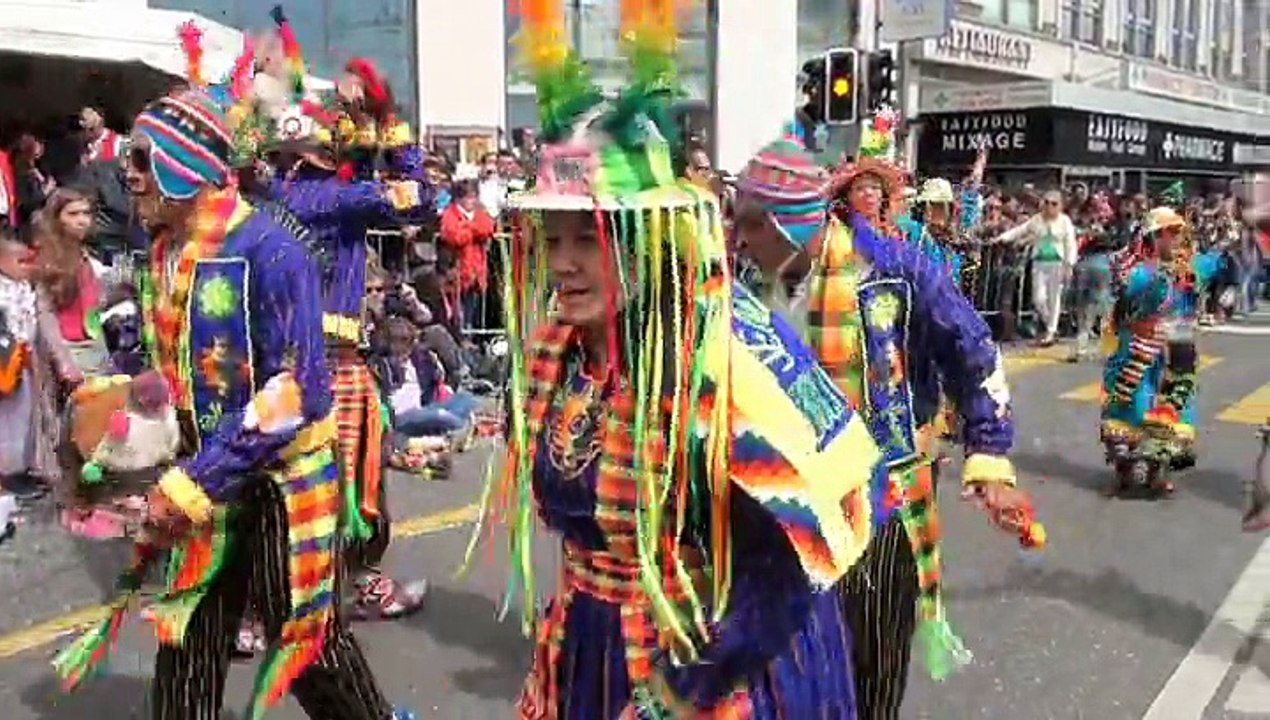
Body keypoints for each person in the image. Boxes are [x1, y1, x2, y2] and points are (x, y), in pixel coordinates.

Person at [479, 4, 879, 717]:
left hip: (715, 660)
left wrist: (684, 687)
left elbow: (794, 557)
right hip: (594, 648)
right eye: (553, 238)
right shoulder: (555, 353)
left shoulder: (723, 355)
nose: (563, 263)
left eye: (588, 239)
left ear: (650, 241)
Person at [51, 84, 412, 720]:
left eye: (142, 160)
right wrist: (121, 430)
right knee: (187, 636)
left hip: (281, 483)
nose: (129, 176)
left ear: (185, 164)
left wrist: (201, 477)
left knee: (306, 645)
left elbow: (299, 389)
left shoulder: (271, 249)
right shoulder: (161, 251)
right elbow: (165, 366)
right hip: (202, 477)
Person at [813, 115, 1037, 720]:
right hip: (801, 487)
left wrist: (988, 451)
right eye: (856, 188)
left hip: (889, 474)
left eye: (875, 189)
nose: (865, 198)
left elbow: (970, 345)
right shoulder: (782, 268)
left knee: (876, 642)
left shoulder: (906, 260)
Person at [1100, 207, 1214, 494]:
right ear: (1154, 235)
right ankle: (1124, 469)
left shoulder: (1188, 267)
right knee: (1131, 404)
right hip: (1138, 345)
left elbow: (1213, 266)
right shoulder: (1136, 270)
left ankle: (1158, 470)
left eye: (1179, 232)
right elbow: (1127, 304)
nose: (1176, 237)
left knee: (1174, 404)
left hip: (1176, 344)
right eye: (1169, 232)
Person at [0, 233, 81, 503]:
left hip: (27, 364)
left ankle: (27, 467)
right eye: (21, 262)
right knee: (8, 422)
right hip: (5, 366)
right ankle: (9, 474)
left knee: (28, 418)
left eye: (30, 261)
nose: (29, 268)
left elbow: (42, 325)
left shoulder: (28, 288)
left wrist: (59, 360)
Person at [32, 188, 110, 374]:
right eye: (73, 214)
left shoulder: (85, 256)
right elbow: (45, 313)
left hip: (96, 348)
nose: (82, 221)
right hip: (69, 352)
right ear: (57, 218)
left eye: (86, 213)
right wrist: (63, 360)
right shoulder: (49, 259)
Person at [995, 189, 1079, 346]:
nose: (1049, 206)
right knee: (1038, 298)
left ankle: (1051, 331)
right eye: (1046, 202)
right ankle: (1051, 324)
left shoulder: (1065, 221)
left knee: (1054, 298)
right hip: (1039, 262)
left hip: (1057, 262)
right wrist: (1002, 238)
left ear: (1060, 206)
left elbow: (1070, 244)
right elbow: (1020, 230)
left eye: (1054, 203)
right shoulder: (1037, 219)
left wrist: (1069, 264)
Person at [438, 179, 496, 332]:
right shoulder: (450, 214)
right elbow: (454, 237)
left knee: (471, 310)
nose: (472, 201)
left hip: (476, 270)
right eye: (469, 197)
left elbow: (487, 228)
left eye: (474, 197)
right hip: (457, 269)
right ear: (459, 198)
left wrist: (467, 226)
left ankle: (469, 335)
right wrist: (473, 232)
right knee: (456, 311)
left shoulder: (479, 213)